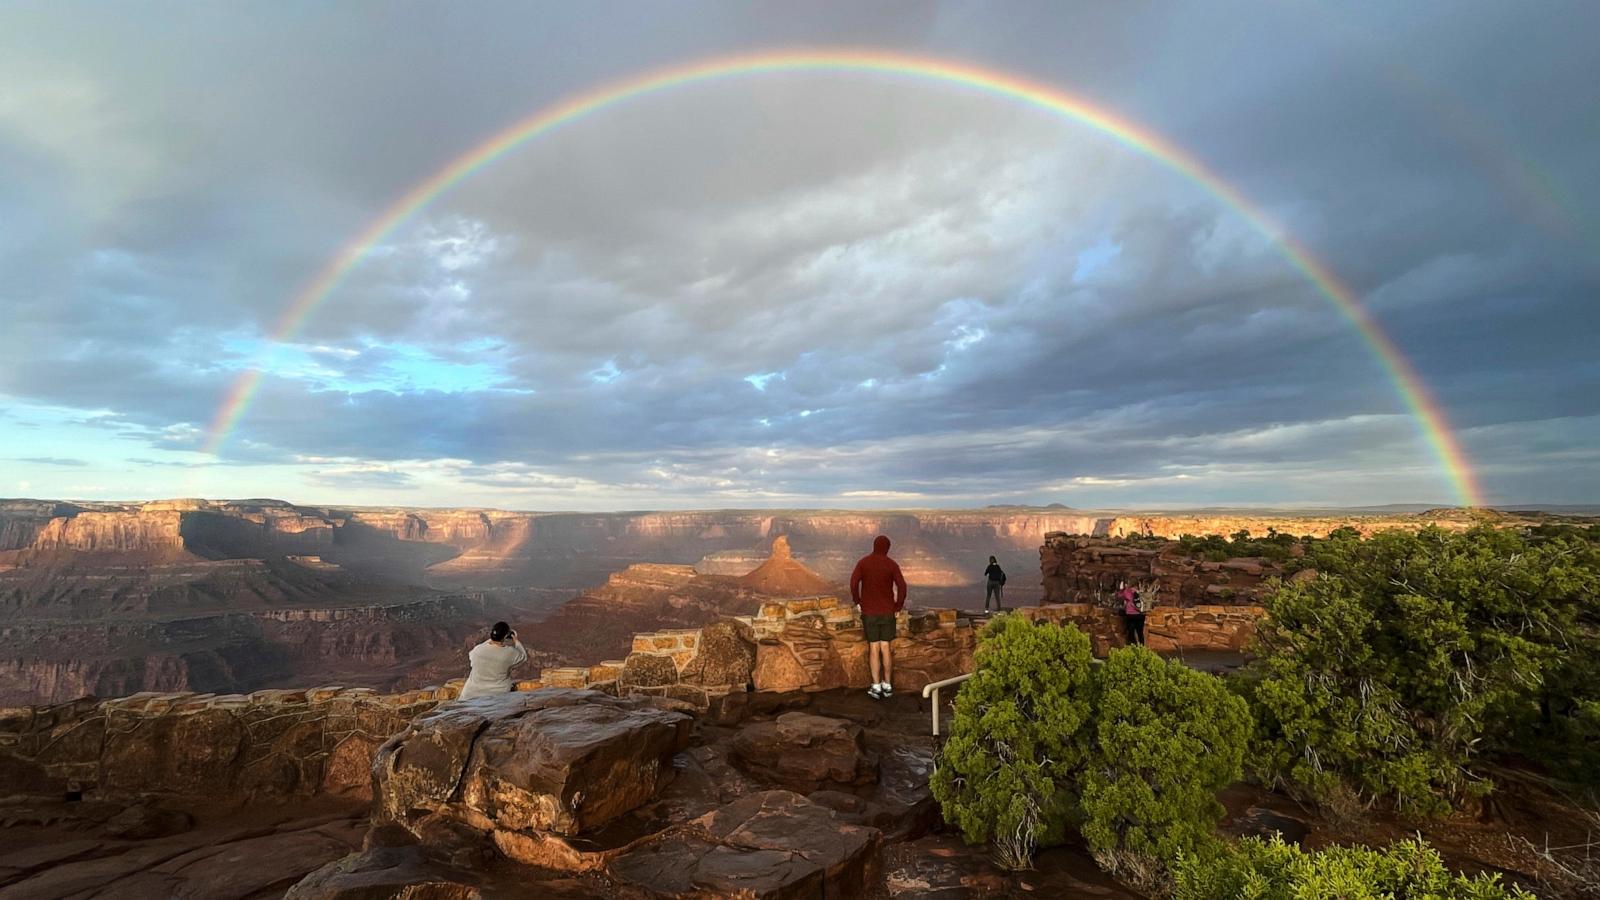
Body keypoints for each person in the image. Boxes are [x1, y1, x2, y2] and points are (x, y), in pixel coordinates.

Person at [850, 535, 907, 700]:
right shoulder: (891, 564)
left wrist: (857, 601)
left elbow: (853, 583)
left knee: (874, 648)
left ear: (874, 546)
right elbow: (902, 587)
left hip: (869, 612)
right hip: (888, 612)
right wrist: (898, 606)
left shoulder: (863, 562)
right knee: (885, 648)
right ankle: (887, 685)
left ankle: (876, 686)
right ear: (887, 548)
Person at [458, 621, 528, 700]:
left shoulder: (477, 650)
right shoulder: (509, 653)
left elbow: (474, 655)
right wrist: (516, 641)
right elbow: (523, 657)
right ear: (505, 636)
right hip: (497, 695)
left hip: (470, 694)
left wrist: (492, 640)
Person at [1116, 580, 1145, 646]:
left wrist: (1122, 589)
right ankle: (1142, 647)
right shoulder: (1141, 591)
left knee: (1131, 632)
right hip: (1140, 614)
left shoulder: (1127, 592)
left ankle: (1133, 646)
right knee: (1140, 632)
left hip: (1131, 615)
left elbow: (1119, 596)